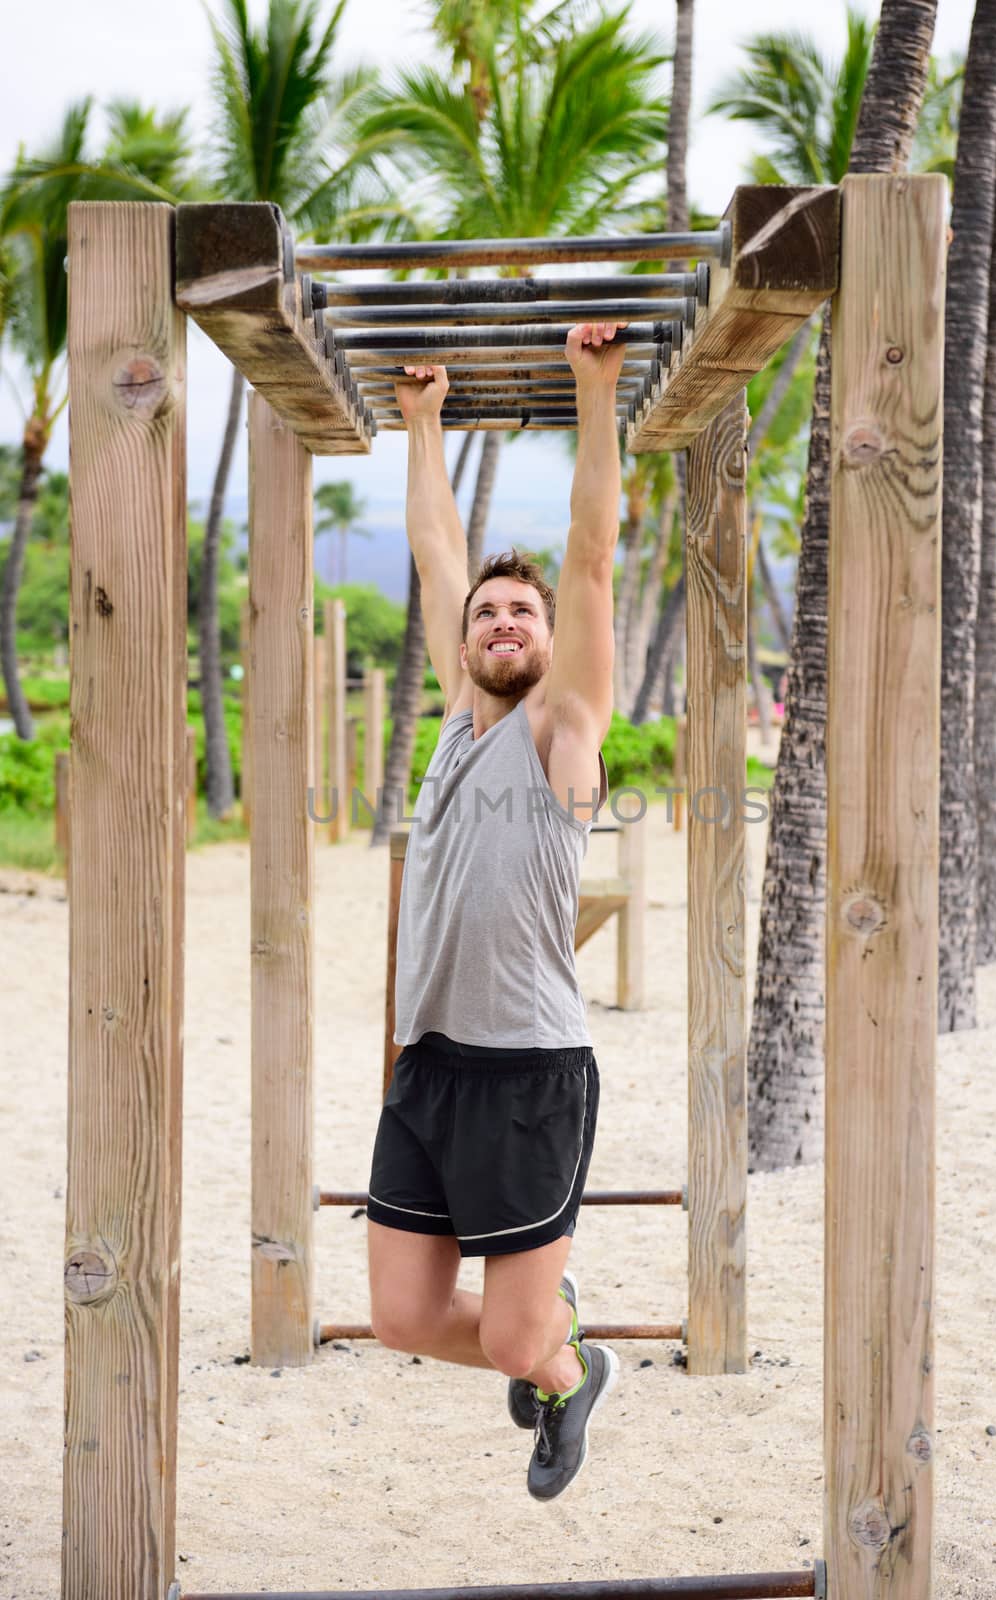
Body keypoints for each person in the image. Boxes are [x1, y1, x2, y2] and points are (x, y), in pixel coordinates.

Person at [366, 322, 627, 1501]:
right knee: (400, 1317)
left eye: (522, 613)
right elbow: (434, 555)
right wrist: (422, 421)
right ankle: (545, 1327)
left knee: (520, 1350)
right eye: (487, 615)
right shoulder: (457, 728)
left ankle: (567, 1363)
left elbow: (591, 557)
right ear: (464, 644)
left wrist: (595, 389)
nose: (503, 621)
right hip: (429, 1067)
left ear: (551, 641)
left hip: (530, 1072)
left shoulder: (560, 731)